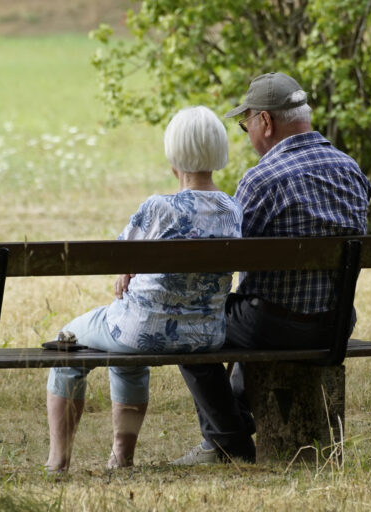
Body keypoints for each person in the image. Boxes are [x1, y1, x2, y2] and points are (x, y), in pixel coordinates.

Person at [173, 72, 371, 465]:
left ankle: (228, 440)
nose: (247, 133)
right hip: (335, 324)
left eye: (246, 123)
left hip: (272, 327)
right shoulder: (352, 170)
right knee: (253, 307)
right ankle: (236, 424)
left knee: (188, 325)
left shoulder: (261, 179)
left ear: (265, 121)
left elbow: (224, 258)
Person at [45, 106, 243, 472]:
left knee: (67, 342)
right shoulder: (233, 209)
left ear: (173, 157)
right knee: (125, 349)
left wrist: (128, 269)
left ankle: (58, 461)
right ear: (219, 152)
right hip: (206, 336)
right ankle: (121, 457)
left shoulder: (158, 208)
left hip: (141, 331)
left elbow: (117, 256)